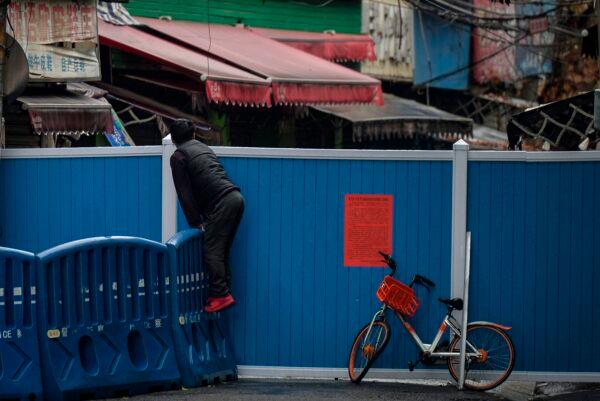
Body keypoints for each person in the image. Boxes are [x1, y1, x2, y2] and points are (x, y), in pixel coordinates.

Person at [169, 119, 244, 313]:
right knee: (221, 250)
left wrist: (195, 222)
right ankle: (223, 291)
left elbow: (184, 194)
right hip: (236, 198)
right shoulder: (204, 148)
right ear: (193, 135)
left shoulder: (178, 156)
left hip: (221, 203)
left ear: (174, 139)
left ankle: (220, 295)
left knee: (211, 250)